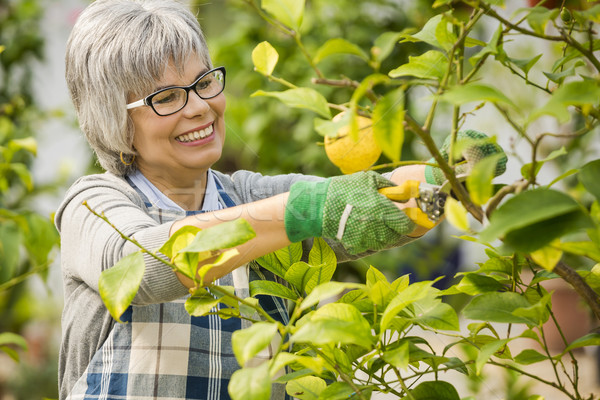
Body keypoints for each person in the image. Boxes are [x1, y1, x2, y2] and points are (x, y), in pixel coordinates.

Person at [55, 0, 506, 399]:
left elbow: (362, 202)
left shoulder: (244, 196)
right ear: (113, 116)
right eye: (168, 97)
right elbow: (141, 270)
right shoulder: (94, 206)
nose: (198, 107)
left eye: (204, 82)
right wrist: (305, 211)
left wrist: (445, 174)